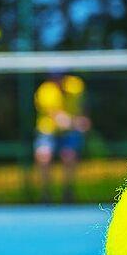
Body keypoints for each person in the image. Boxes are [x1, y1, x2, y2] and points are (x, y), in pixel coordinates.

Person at [33, 72, 91, 203]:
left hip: (69, 130)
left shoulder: (76, 85)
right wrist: (78, 123)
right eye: (54, 77)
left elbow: (83, 105)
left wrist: (85, 118)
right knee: (44, 156)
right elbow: (58, 118)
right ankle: (46, 193)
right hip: (48, 129)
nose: (57, 80)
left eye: (60, 76)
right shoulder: (45, 91)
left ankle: (68, 192)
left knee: (69, 155)